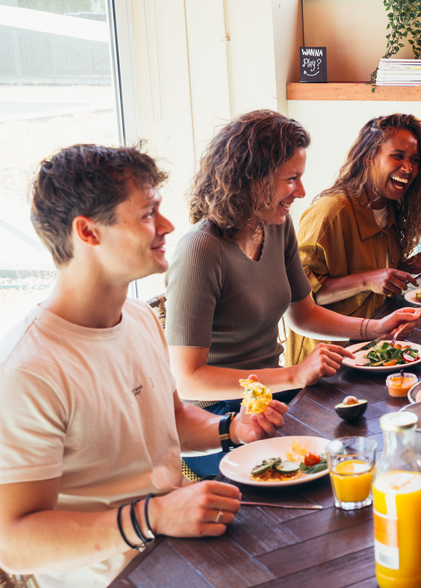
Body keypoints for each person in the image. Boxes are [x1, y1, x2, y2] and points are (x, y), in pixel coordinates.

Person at [0, 145, 287, 587]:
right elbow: (14, 543)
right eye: (149, 213)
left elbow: (170, 417)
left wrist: (231, 428)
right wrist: (151, 516)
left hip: (178, 546)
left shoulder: (139, 317)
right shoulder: (28, 369)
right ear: (88, 232)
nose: (168, 226)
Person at [165, 111, 421, 468]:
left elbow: (304, 314)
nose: (301, 192)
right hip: (218, 418)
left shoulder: (275, 226)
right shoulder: (200, 250)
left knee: (366, 447)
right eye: (292, 179)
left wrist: (374, 329)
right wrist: (294, 374)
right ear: (252, 178)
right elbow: (189, 380)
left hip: (272, 395)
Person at [285, 114, 421, 367]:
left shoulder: (390, 208)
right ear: (369, 156)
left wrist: (403, 269)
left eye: (414, 160)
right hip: (327, 363)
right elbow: (302, 298)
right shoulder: (331, 212)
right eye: (398, 156)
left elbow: (371, 277)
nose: (409, 168)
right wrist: (368, 279)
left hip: (375, 351)